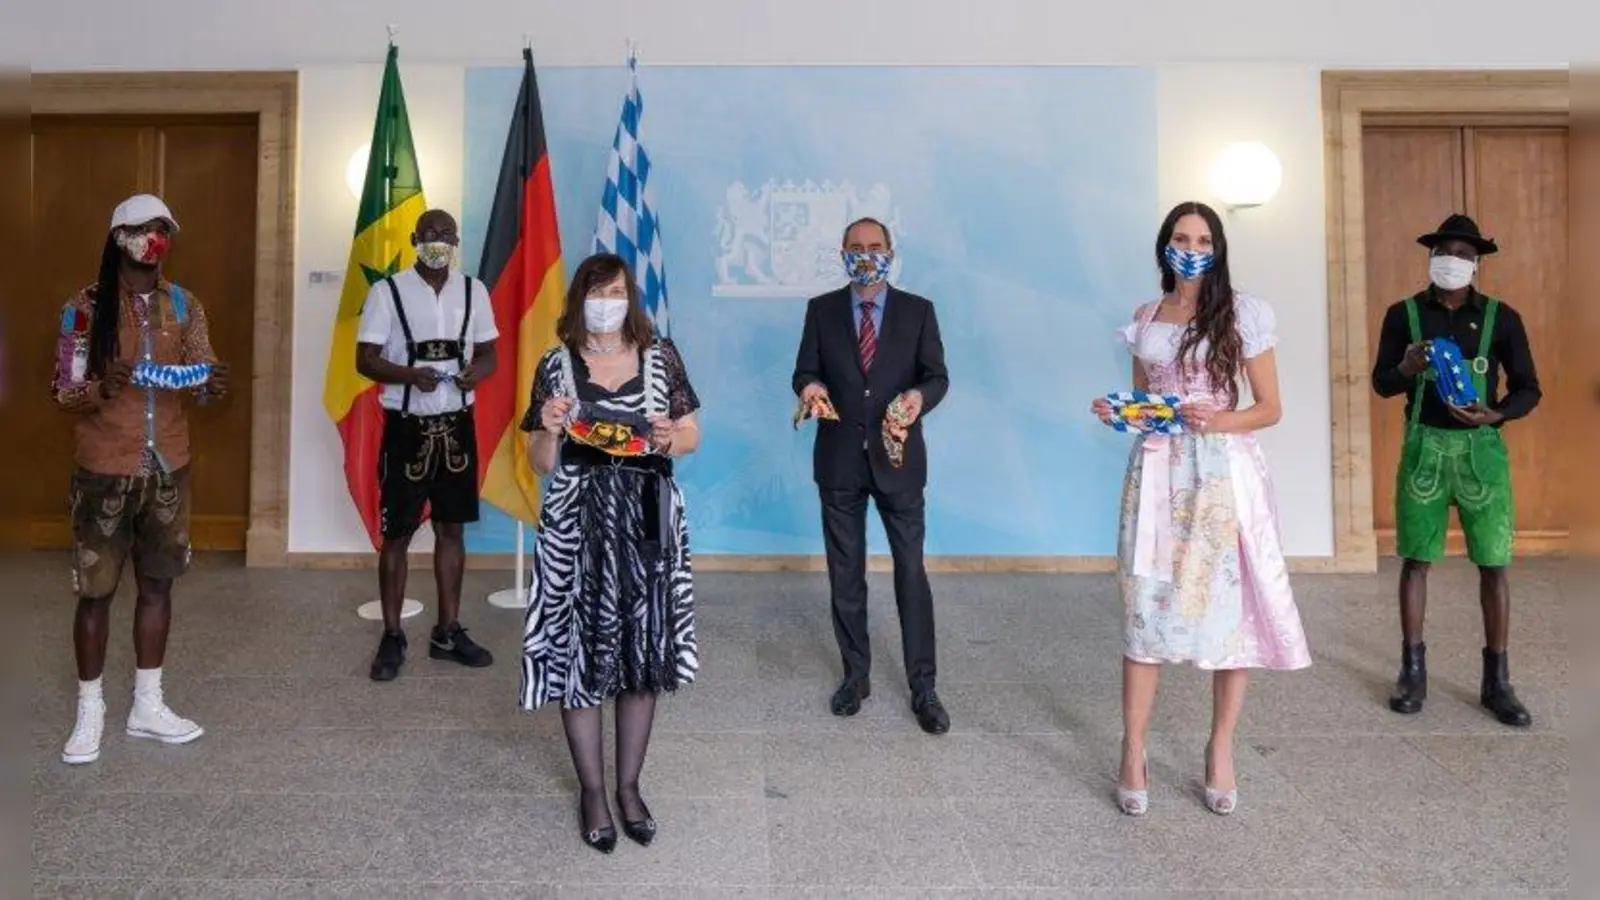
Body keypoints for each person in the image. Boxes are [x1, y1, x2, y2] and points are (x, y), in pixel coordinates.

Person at [1092, 201, 1311, 816]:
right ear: (1164, 245)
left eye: (1202, 237)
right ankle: (1132, 749)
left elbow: (1269, 407)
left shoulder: (1243, 312)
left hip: (1222, 472)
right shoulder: (1146, 316)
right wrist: (1121, 411)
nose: (1191, 246)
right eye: (1181, 237)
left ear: (1217, 247)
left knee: (1229, 611)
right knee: (1145, 603)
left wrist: (1219, 420)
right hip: (1159, 469)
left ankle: (1220, 747)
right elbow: (1146, 400)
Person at [520, 253, 702, 853]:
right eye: (596, 292)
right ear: (579, 300)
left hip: (646, 521)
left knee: (640, 651)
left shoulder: (662, 357)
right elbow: (541, 464)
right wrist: (546, 429)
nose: (607, 301)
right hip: (577, 525)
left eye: (617, 291)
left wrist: (673, 434)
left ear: (631, 298)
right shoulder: (554, 365)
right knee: (579, 658)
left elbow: (692, 433)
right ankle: (593, 792)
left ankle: (629, 788)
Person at [52, 194, 231, 765]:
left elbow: (199, 379)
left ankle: (147, 705)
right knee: (96, 593)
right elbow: (62, 390)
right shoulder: (83, 308)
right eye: (143, 230)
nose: (154, 239)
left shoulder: (185, 305)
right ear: (118, 238)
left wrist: (210, 384)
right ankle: (90, 710)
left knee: (158, 584)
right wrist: (102, 386)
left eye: (163, 230)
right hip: (104, 470)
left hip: (168, 466)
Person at [1370, 214, 1540, 728]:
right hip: (1424, 446)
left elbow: (1529, 387)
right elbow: (1381, 383)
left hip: (1481, 450)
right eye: (1445, 251)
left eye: (1464, 254)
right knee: (1416, 560)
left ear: (1477, 263)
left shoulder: (1501, 318)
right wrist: (1406, 369)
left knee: (1494, 562)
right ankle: (1413, 671)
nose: (1453, 261)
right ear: (1431, 257)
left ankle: (1497, 681)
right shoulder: (1403, 315)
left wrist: (1499, 413)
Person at [791, 217, 951, 735]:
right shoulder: (821, 311)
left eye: (875, 247)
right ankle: (854, 676)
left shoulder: (917, 312)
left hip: (899, 463)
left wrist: (917, 399)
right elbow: (803, 370)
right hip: (838, 461)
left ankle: (924, 688)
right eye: (856, 248)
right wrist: (811, 388)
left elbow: (937, 376)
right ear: (842, 253)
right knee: (846, 575)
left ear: (891, 252)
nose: (866, 255)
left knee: (911, 574)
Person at [354, 209, 498, 681]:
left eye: (447, 235)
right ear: (415, 239)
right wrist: (410, 375)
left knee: (451, 530)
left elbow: (488, 351)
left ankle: (447, 631)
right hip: (407, 427)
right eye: (430, 234)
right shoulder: (387, 291)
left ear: (457, 242)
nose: (438, 241)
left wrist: (477, 372)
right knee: (396, 534)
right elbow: (366, 360)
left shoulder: (474, 290)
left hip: (458, 425)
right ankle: (392, 635)